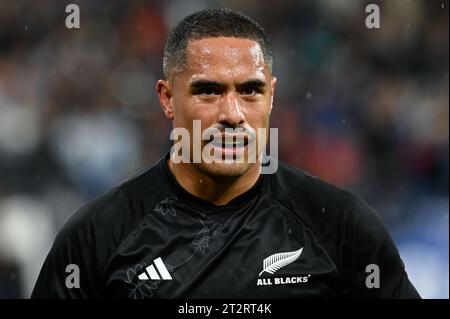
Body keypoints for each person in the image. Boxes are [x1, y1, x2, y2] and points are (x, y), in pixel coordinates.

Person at [31, 8, 420, 299]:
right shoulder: (97, 235)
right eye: (208, 91)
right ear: (167, 99)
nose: (232, 115)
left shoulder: (342, 226)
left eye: (250, 90)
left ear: (272, 96)